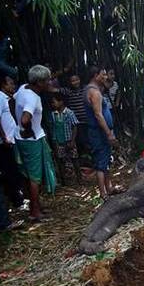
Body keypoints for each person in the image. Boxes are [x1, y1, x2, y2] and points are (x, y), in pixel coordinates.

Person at [14, 64, 57, 221]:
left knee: (30, 176)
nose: (49, 83)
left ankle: (35, 206)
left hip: (21, 138)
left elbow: (12, 102)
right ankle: (35, 213)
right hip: (32, 141)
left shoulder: (23, 88)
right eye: (47, 80)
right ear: (39, 82)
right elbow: (26, 118)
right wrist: (29, 130)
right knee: (35, 178)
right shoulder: (33, 98)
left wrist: (19, 126)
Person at [84, 66, 118, 200]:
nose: (105, 77)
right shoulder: (94, 92)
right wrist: (108, 133)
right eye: (103, 75)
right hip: (99, 132)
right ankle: (103, 193)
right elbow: (98, 115)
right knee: (100, 163)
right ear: (95, 76)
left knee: (105, 160)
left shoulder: (91, 89)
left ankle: (108, 188)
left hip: (99, 131)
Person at [0, 75, 24, 206]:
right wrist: (4, 137)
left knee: (15, 170)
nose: (13, 86)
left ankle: (18, 198)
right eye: (10, 83)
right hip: (5, 142)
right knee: (10, 171)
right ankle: (16, 200)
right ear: (3, 85)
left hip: (11, 140)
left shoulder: (6, 98)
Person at [49, 92, 81, 185]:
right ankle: (64, 181)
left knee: (74, 159)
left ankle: (79, 179)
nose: (52, 104)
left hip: (69, 140)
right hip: (59, 141)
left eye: (54, 102)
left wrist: (72, 140)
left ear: (61, 102)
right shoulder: (53, 114)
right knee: (61, 161)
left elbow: (75, 126)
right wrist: (55, 141)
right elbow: (54, 128)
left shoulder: (69, 113)